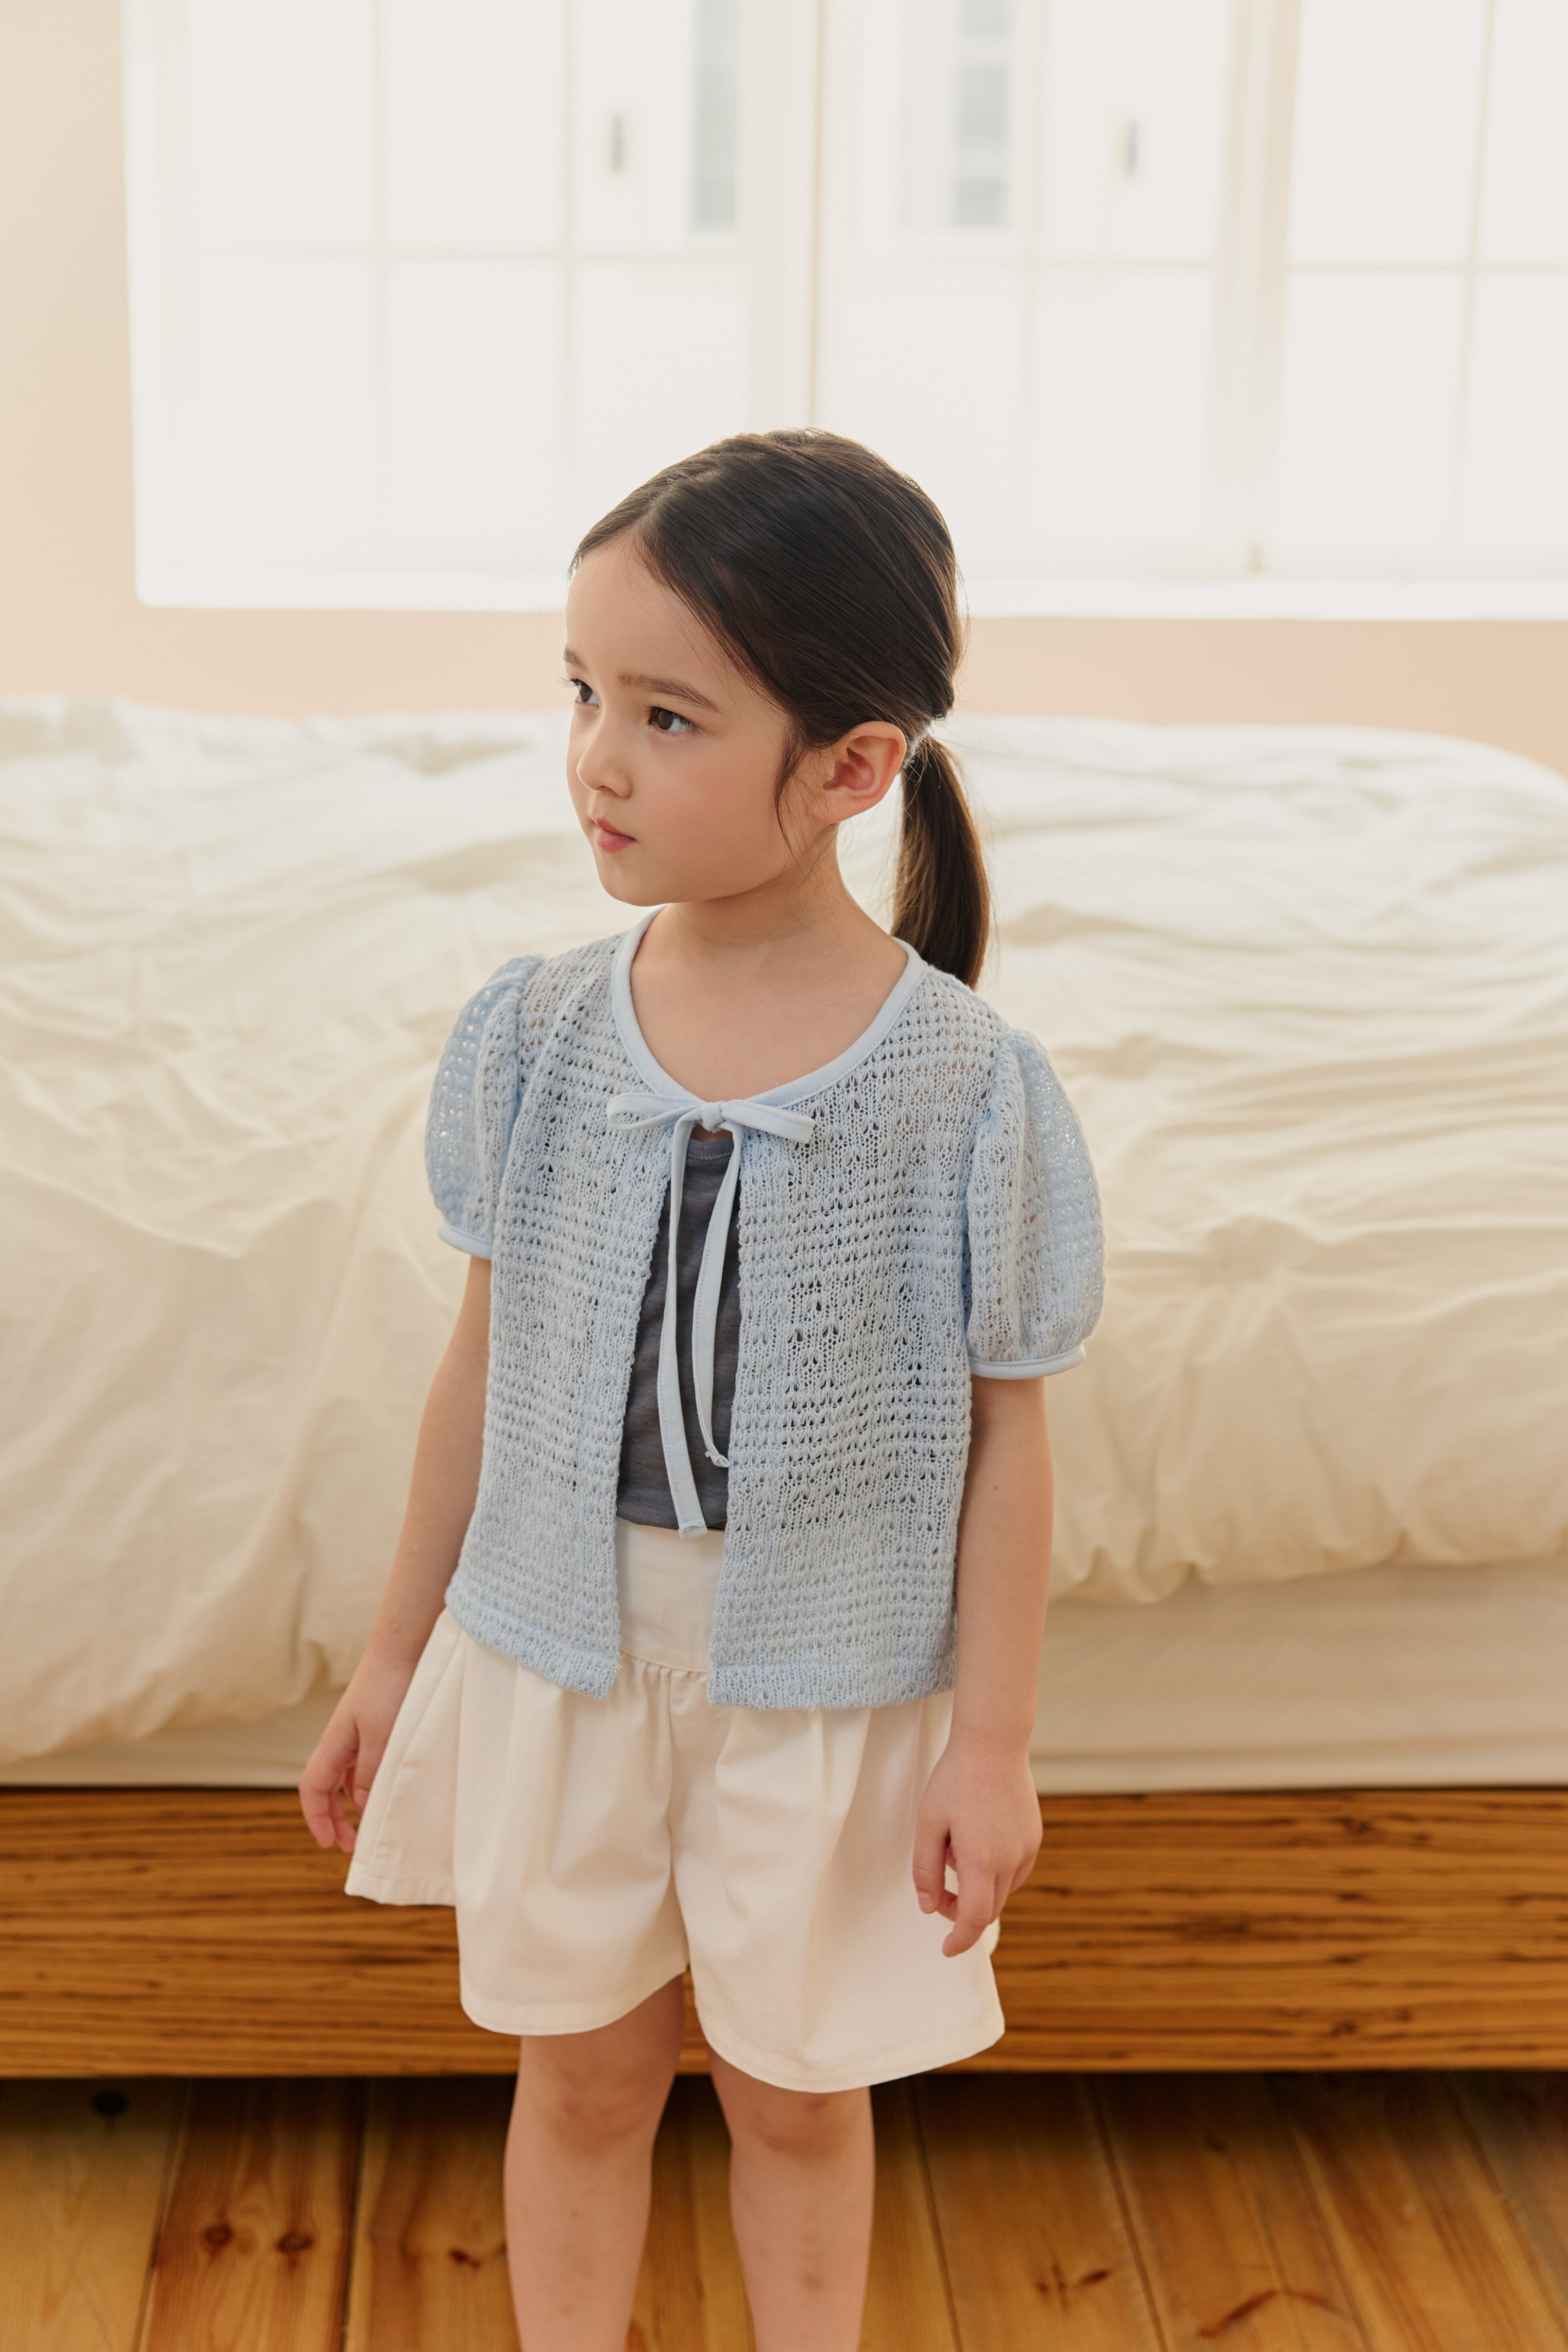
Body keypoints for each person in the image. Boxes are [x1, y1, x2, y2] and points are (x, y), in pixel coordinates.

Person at [298, 426, 1104, 2352]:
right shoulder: (538, 1035)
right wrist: (397, 1655)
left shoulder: (964, 1089)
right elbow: (481, 1366)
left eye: (665, 716)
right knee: (577, 2079)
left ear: (847, 767)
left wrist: (990, 1743)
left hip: (821, 1687)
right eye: (582, 692)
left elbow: (1006, 1435)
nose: (596, 756)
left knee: (796, 2098)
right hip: (563, 1661)